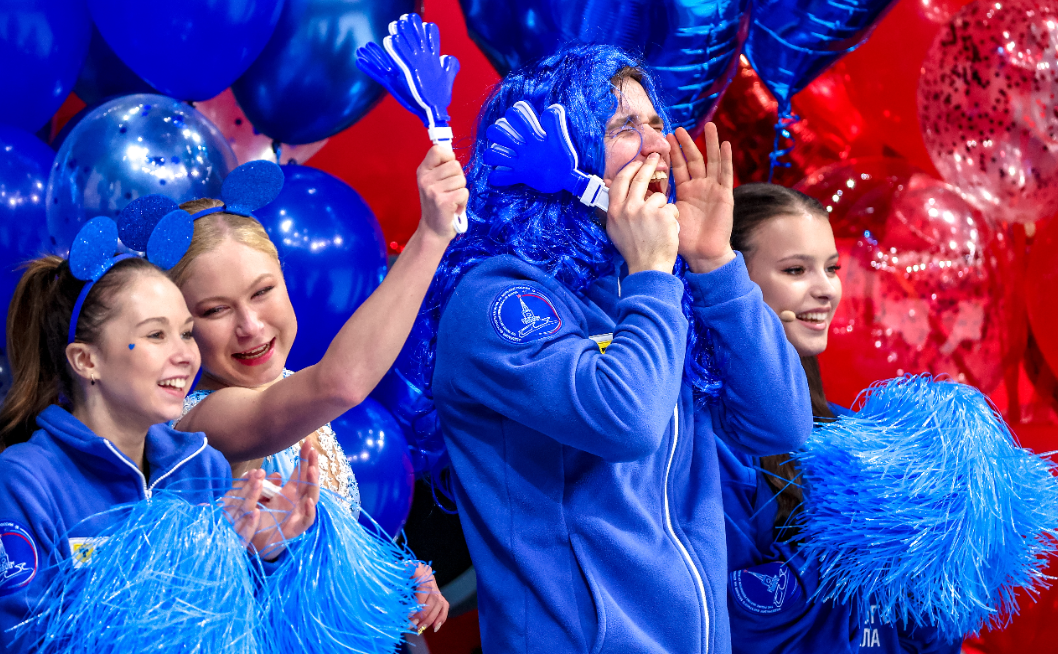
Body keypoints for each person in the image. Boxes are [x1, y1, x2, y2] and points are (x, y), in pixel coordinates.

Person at [407, 45, 812, 653]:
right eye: (624, 127)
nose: (657, 146)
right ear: (560, 150)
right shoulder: (495, 299)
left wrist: (714, 262)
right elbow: (626, 421)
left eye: (655, 123)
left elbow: (782, 424)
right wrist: (653, 273)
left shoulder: (651, 287)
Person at [168, 147, 461, 633]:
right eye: (216, 311)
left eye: (263, 292)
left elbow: (306, 574)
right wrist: (430, 236)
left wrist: (386, 579)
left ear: (286, 279)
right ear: (180, 327)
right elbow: (341, 382)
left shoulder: (293, 396)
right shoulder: (201, 422)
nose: (250, 325)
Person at [0, 250, 319, 650]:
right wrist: (184, 566)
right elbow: (23, 642)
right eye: (155, 335)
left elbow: (235, 632)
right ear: (86, 360)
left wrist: (263, 556)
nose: (185, 355)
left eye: (186, 332)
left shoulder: (204, 467)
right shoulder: (24, 482)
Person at [720, 182, 960, 653]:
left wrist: (933, 548)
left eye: (831, 268)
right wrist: (854, 537)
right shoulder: (702, 442)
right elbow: (731, 621)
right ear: (728, 281)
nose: (825, 289)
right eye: (795, 269)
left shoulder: (857, 436)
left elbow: (918, 631)